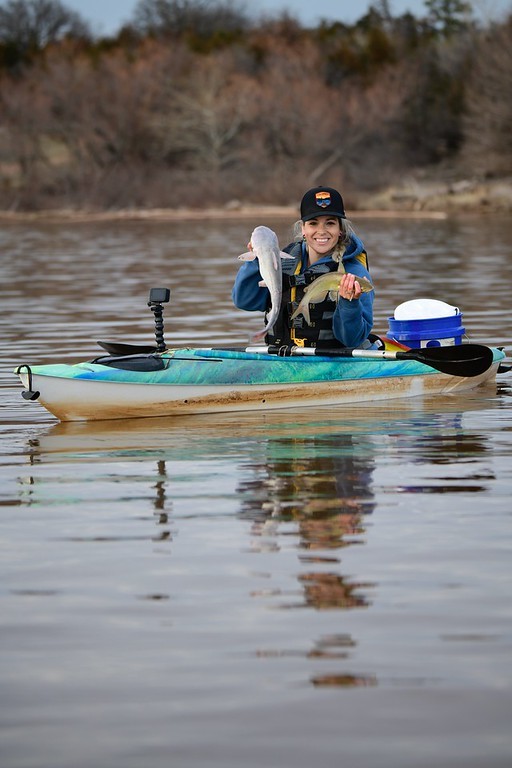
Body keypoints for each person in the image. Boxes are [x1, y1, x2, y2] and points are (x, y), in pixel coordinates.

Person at [232, 186, 374, 349]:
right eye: (313, 223)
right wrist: (256, 260)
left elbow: (352, 339)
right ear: (303, 229)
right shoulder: (281, 261)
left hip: (333, 362)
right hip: (282, 358)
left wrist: (350, 303)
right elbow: (245, 302)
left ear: (340, 230)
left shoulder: (354, 273)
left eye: (330, 223)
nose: (321, 231)